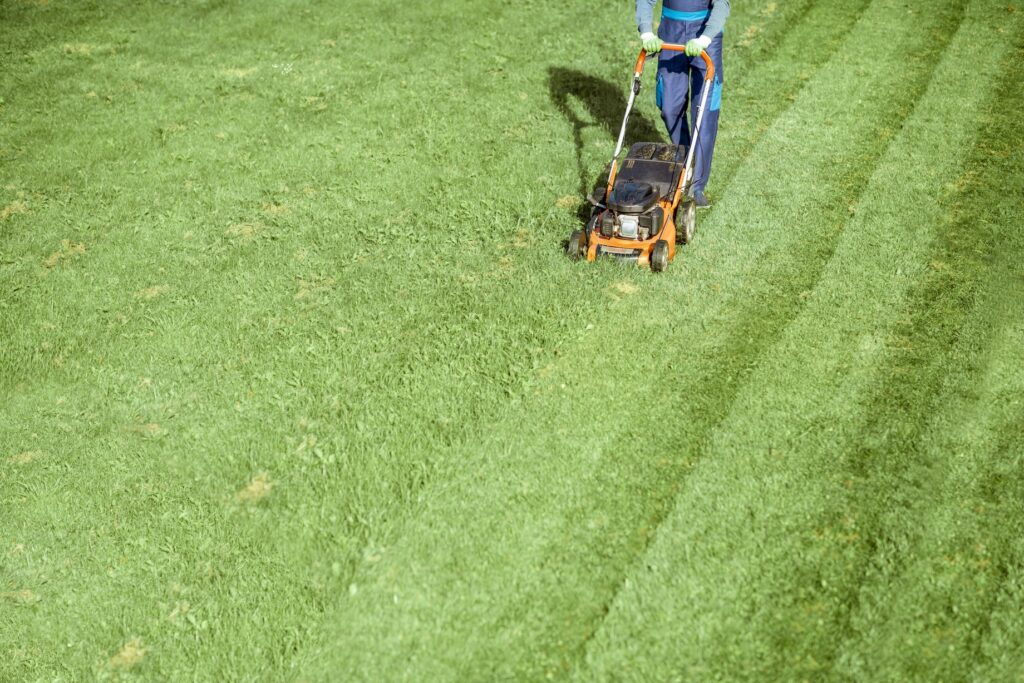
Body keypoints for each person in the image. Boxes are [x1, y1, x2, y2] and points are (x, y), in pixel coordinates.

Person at [636, 0, 728, 208]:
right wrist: (647, 33)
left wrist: (704, 38)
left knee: (704, 114)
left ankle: (696, 187)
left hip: (706, 35)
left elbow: (722, 4)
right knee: (669, 107)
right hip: (671, 31)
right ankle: (687, 159)